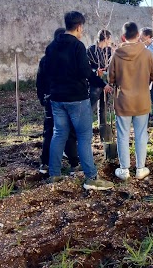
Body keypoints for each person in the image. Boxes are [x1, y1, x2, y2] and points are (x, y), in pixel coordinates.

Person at [44, 11, 114, 190]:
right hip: (76, 98)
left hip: (57, 98)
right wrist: (102, 83)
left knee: (59, 134)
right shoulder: (77, 46)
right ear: (79, 27)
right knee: (84, 137)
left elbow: (47, 72)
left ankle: (54, 174)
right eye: (82, 28)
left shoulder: (51, 47)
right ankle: (91, 177)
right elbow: (85, 72)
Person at [108, 22, 153, 181]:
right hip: (142, 100)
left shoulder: (116, 55)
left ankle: (124, 170)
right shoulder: (148, 53)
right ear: (138, 36)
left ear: (123, 36)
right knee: (141, 134)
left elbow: (111, 78)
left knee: (122, 135)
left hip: (122, 101)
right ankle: (140, 168)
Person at [36, 28, 79, 174]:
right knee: (69, 132)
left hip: (51, 99)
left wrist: (42, 98)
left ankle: (46, 164)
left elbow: (39, 82)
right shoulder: (71, 58)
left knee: (50, 131)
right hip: (68, 99)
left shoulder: (46, 59)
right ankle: (74, 164)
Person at [87, 29, 113, 145]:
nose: (110, 41)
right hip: (95, 84)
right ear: (105, 38)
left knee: (103, 108)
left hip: (105, 84)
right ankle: (86, 131)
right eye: (109, 39)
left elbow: (110, 66)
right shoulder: (91, 51)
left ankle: (103, 131)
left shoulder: (108, 51)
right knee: (90, 108)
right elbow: (88, 69)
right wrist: (96, 71)